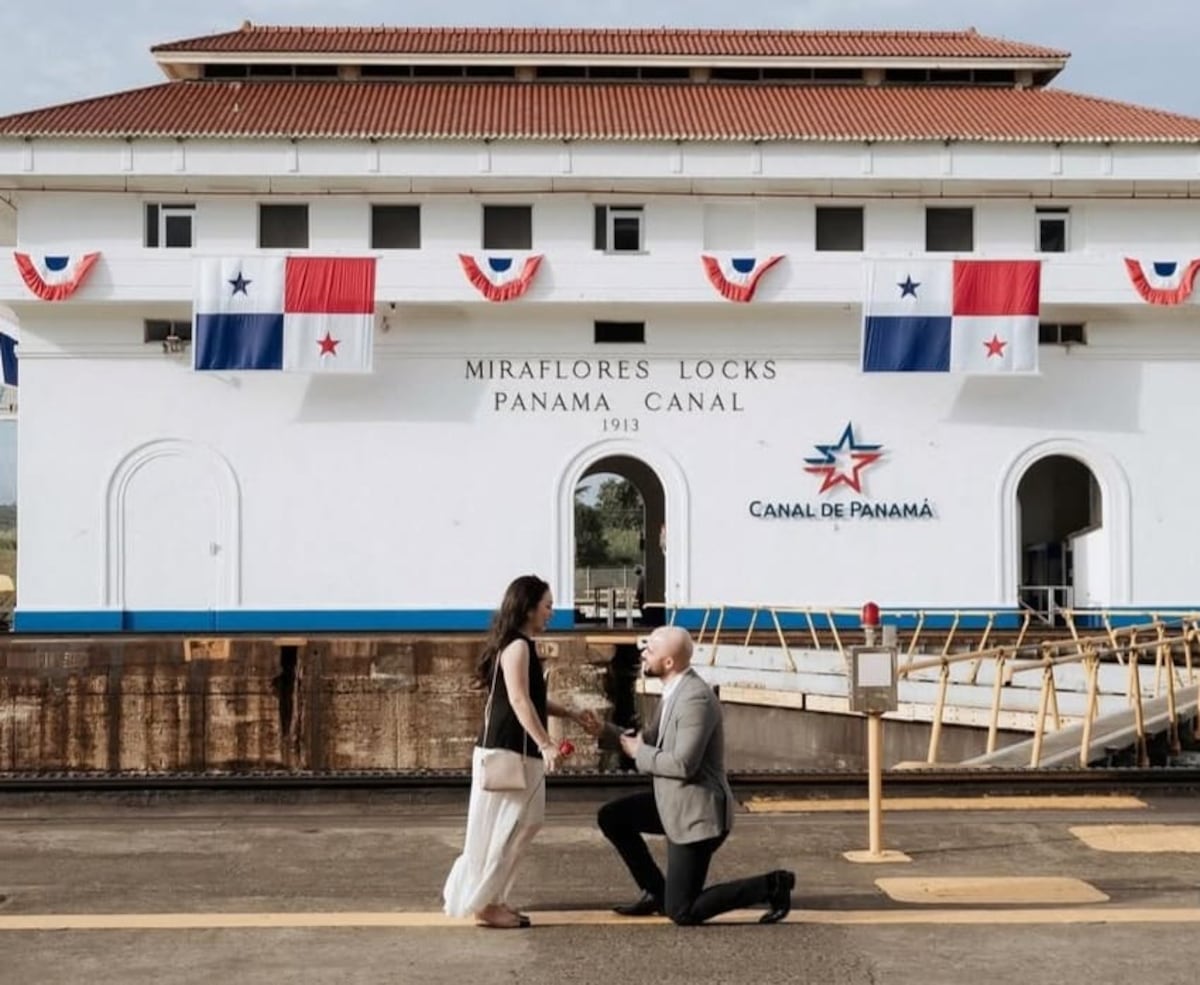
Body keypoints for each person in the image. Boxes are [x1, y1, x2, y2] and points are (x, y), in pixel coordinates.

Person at [593, 625, 796, 926]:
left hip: (697, 816)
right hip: (673, 803)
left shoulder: (694, 700)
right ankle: (656, 891)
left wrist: (638, 753)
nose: (642, 653)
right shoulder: (674, 691)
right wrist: (604, 732)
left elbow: (682, 765)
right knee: (612, 817)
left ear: (669, 662)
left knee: (682, 912)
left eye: (650, 650)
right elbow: (649, 739)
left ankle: (772, 885)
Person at [442, 574, 591, 929]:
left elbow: (531, 699)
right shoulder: (519, 647)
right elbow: (519, 699)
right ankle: (486, 902)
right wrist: (546, 744)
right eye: (548, 605)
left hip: (510, 751)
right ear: (528, 608)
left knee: (514, 826)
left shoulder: (516, 644)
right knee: (507, 828)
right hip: (510, 752)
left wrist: (569, 713)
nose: (552, 612)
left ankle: (490, 898)